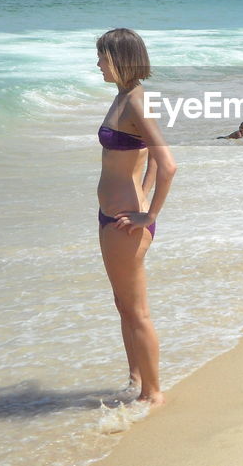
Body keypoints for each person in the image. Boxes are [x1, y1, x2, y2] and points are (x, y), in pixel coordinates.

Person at [95, 28, 176, 408]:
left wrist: (148, 214)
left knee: (137, 310)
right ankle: (135, 380)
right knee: (123, 305)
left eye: (103, 58)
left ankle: (153, 394)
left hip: (125, 223)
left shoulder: (136, 103)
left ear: (121, 60)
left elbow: (168, 165)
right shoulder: (124, 97)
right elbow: (142, 157)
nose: (98, 65)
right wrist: (141, 194)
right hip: (114, 217)